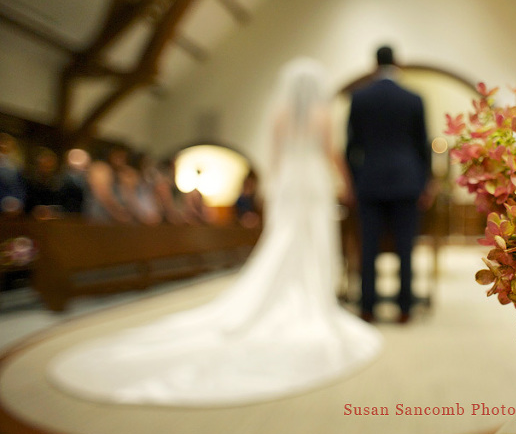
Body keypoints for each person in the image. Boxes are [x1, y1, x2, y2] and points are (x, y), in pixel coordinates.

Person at [47, 57, 382, 406]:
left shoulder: (280, 113)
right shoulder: (322, 115)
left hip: (288, 186)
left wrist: (274, 188)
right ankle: (314, 299)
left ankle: (295, 296)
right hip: (311, 183)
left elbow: (275, 157)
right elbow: (330, 153)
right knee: (311, 243)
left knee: (286, 242)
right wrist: (346, 183)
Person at [346, 46, 431, 324]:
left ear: (374, 64)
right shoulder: (413, 99)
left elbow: (351, 147)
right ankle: (404, 308)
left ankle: (367, 307)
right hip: (407, 182)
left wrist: (357, 182)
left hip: (370, 182)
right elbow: (423, 147)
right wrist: (424, 183)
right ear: (397, 63)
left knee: (368, 248)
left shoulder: (359, 98)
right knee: (405, 248)